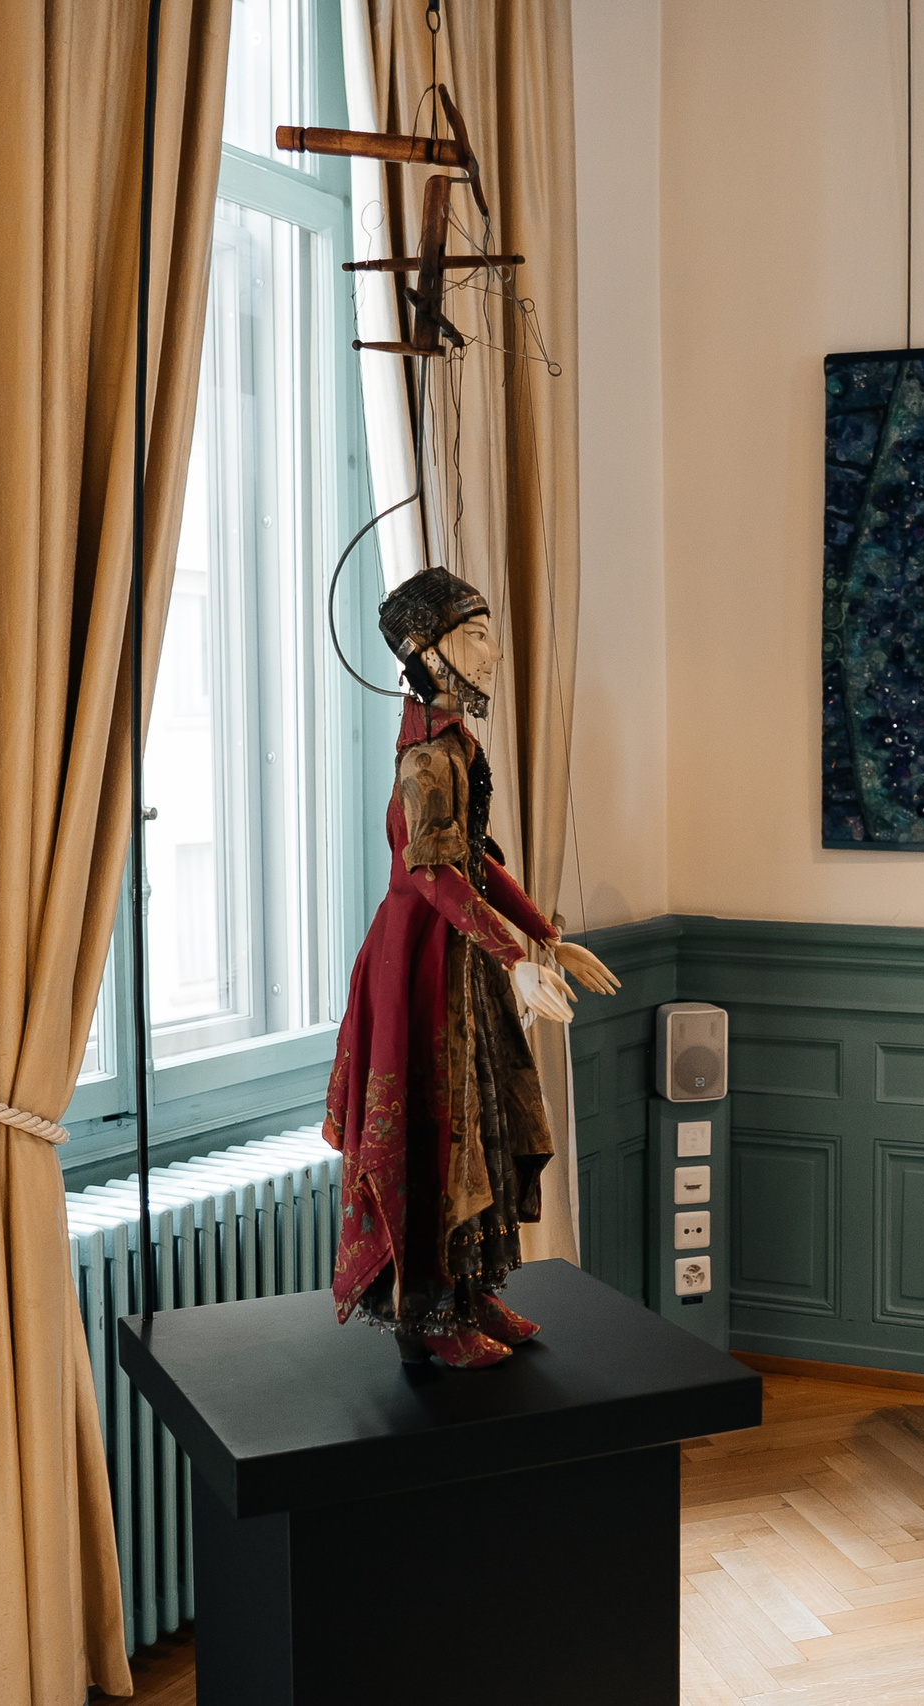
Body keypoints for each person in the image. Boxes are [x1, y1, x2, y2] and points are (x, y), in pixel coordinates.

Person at [323, 566, 619, 1368]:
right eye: (475, 636)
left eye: (490, 636)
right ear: (424, 649)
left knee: (474, 1132)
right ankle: (429, 1312)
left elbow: (479, 861)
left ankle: (469, 1288)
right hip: (418, 969)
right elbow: (433, 874)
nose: (491, 655)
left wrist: (545, 941)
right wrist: (515, 958)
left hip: (460, 958)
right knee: (434, 1130)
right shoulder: (424, 761)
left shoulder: (456, 743)